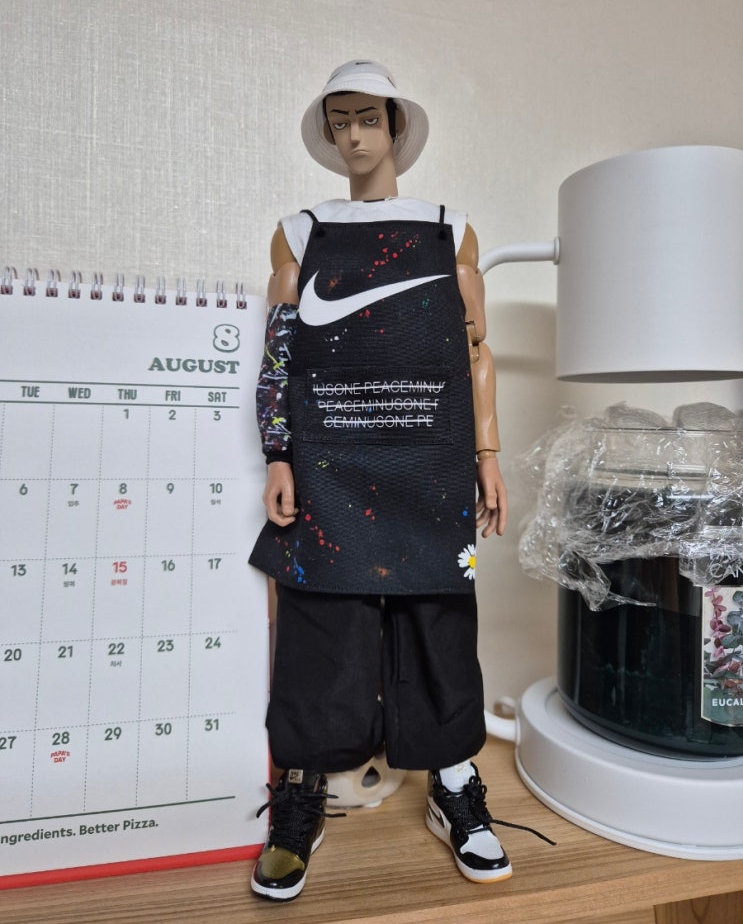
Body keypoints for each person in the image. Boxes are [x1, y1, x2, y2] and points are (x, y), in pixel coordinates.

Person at [249, 59, 519, 902]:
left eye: (367, 117)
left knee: (437, 614)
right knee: (319, 617)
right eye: (339, 121)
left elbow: (476, 349)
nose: (353, 136)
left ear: (396, 125)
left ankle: (452, 779)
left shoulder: (448, 228)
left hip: (427, 455)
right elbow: (280, 349)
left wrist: (487, 452)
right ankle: (300, 790)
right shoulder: (300, 232)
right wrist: (278, 452)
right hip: (330, 455)